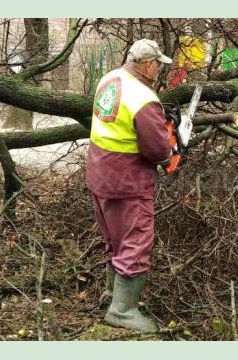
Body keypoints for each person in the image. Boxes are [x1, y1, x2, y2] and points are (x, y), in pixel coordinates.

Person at [86, 39, 173, 332]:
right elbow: (157, 151)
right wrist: (170, 149)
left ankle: (112, 295)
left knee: (115, 238)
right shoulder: (143, 98)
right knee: (135, 240)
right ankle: (122, 311)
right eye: (158, 64)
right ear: (149, 64)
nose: (159, 69)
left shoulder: (110, 78)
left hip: (100, 173)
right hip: (128, 179)